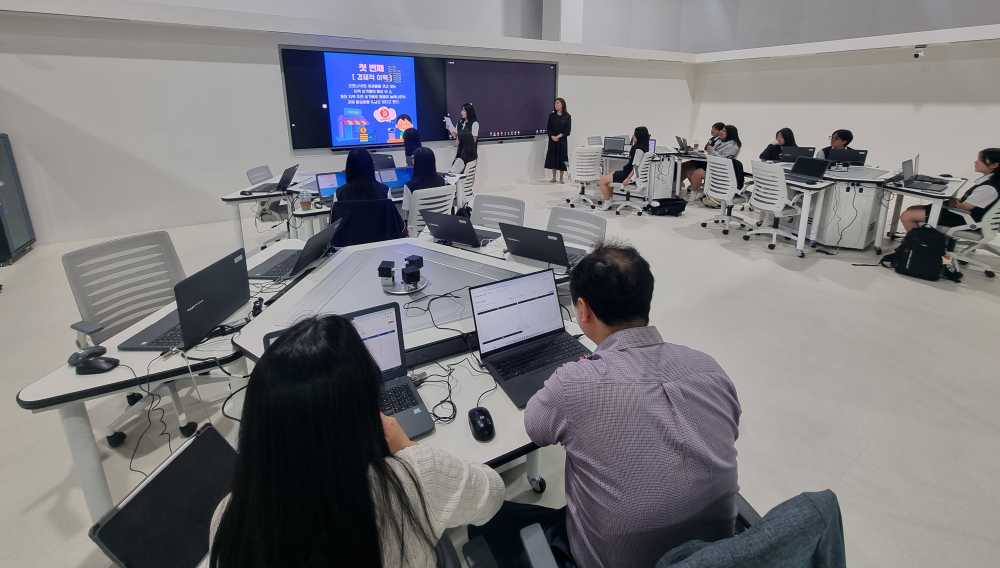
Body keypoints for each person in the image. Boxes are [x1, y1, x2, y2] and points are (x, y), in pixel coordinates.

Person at [469, 244, 741, 568]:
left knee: (485, 517)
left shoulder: (576, 383)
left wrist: (580, 376)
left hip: (611, 560)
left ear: (583, 310)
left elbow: (536, 427)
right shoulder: (708, 368)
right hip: (715, 554)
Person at [209, 315, 505, 568]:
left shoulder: (230, 519)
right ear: (364, 410)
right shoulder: (416, 477)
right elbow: (492, 496)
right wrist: (408, 448)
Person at [900, 148, 1000, 232]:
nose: (976, 162)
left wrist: (949, 196)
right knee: (912, 208)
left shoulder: (989, 188)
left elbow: (965, 207)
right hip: (966, 215)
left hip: (966, 219)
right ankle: (918, 241)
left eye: (980, 160)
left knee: (907, 216)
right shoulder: (992, 182)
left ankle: (919, 249)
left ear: (994, 165)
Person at [596, 126, 650, 209]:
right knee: (611, 174)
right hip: (628, 172)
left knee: (602, 181)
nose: (633, 135)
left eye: (634, 134)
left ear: (638, 136)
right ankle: (609, 200)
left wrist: (628, 179)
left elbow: (635, 167)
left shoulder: (638, 149)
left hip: (628, 174)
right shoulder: (644, 147)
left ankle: (607, 202)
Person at [686, 124, 742, 201]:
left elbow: (723, 161)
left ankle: (693, 196)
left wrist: (712, 151)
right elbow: (710, 151)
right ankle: (696, 191)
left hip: (721, 171)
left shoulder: (733, 145)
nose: (721, 132)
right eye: (722, 130)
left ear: (730, 134)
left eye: (724, 131)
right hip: (712, 166)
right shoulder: (719, 140)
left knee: (697, 173)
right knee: (688, 169)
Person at [401, 147, 448, 218]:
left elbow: (407, 213)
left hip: (419, 226)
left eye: (413, 158)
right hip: (439, 224)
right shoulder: (442, 181)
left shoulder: (409, 186)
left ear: (416, 162)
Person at [544, 97, 572, 183]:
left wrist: (558, 136)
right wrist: (552, 136)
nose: (556, 105)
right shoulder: (551, 116)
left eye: (558, 103)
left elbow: (568, 131)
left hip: (562, 141)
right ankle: (553, 177)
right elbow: (548, 128)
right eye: (555, 103)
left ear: (562, 104)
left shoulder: (567, 116)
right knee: (553, 157)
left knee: (562, 158)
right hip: (552, 140)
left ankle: (561, 178)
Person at [446, 102, 479, 171]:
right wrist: (449, 127)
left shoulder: (474, 123)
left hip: (470, 155)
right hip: (460, 154)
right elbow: (457, 140)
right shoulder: (460, 122)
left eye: (463, 110)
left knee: (465, 176)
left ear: (469, 112)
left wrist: (463, 136)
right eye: (462, 110)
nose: (461, 112)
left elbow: (473, 141)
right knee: (454, 173)